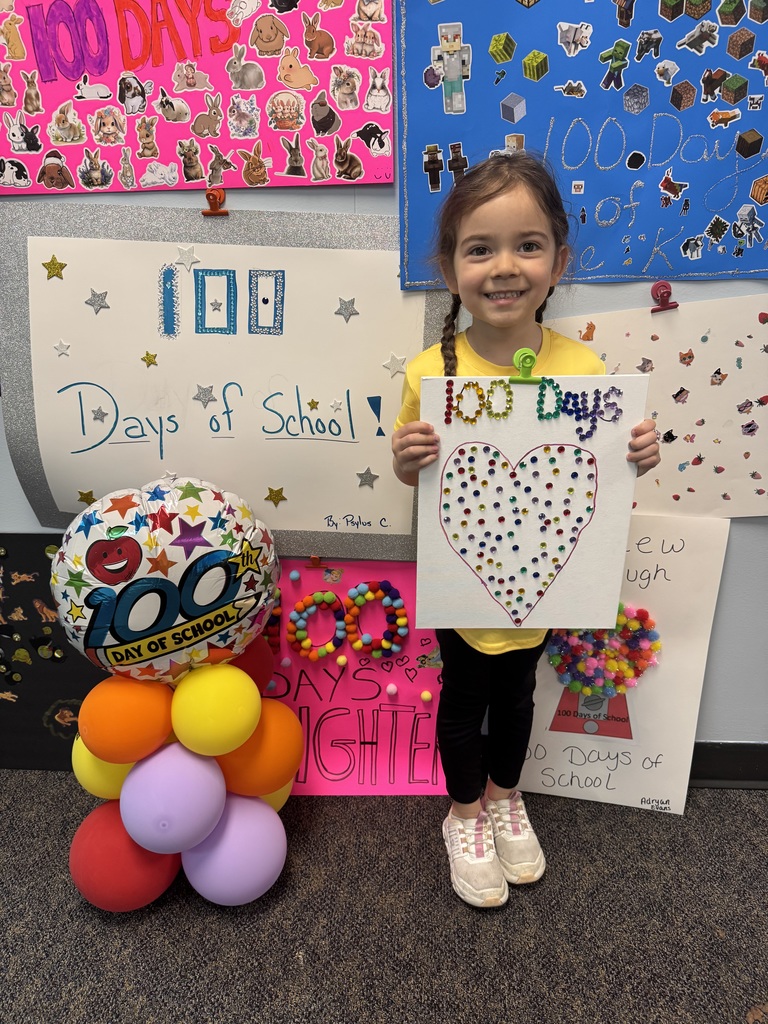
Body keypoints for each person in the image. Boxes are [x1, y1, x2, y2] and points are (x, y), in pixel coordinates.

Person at [391, 152, 660, 909]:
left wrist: (637, 452)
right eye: (480, 248)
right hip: (466, 582)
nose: (504, 266)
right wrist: (408, 457)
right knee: (463, 698)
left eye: (527, 245)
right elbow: (415, 477)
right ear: (450, 271)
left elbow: (603, 471)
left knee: (516, 699)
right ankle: (465, 815)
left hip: (540, 582)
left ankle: (507, 798)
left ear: (557, 262)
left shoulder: (585, 368)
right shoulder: (428, 374)